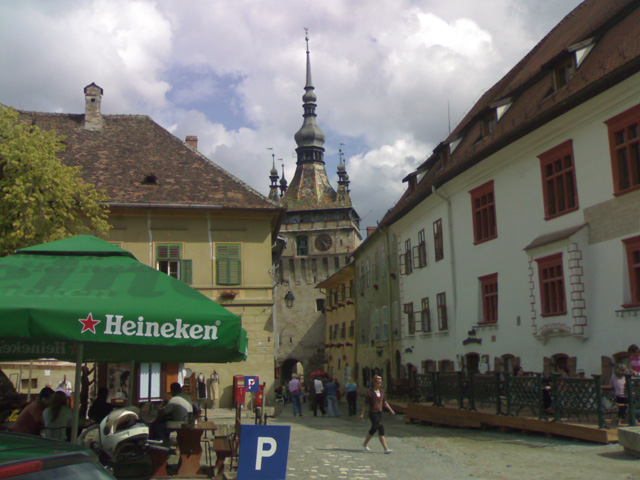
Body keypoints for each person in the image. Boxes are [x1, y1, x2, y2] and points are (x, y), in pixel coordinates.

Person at [359, 375, 395, 454]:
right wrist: (362, 414)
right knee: (380, 427)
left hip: (379, 412)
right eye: (378, 383)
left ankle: (365, 443)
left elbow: (385, 402)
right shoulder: (369, 393)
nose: (380, 384)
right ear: (374, 383)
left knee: (374, 429)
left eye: (380, 382)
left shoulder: (382, 392)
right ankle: (386, 448)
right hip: (372, 412)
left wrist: (391, 410)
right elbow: (365, 404)